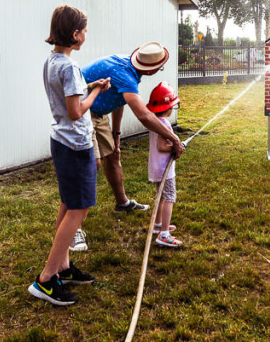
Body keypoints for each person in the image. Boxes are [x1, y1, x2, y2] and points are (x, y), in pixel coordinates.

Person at [29, 5, 110, 306]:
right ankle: (46, 279)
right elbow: (76, 111)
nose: (86, 35)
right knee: (79, 209)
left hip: (60, 142)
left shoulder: (52, 62)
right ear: (76, 35)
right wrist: (97, 94)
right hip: (76, 146)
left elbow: (65, 98)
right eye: (85, 31)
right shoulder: (70, 67)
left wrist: (89, 86)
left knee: (68, 203)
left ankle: (63, 268)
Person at [72, 43, 185, 251]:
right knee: (92, 164)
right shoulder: (124, 72)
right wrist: (174, 139)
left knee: (113, 156)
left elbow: (119, 101)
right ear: (151, 68)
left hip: (99, 112)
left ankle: (122, 203)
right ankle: (73, 229)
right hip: (82, 112)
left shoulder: (130, 70)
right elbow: (144, 116)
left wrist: (116, 136)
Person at [147, 82, 183, 248]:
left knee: (161, 196)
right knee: (170, 197)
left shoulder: (153, 122)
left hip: (156, 169)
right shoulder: (165, 124)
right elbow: (162, 146)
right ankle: (164, 234)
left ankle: (158, 225)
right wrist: (176, 145)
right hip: (165, 170)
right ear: (169, 108)